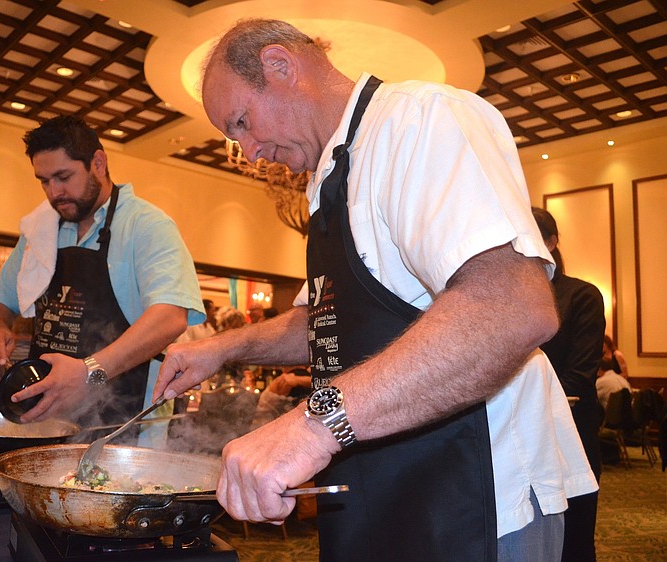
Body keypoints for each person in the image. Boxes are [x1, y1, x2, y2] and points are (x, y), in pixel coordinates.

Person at [154, 19, 595, 561]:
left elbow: (511, 308)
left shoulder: (421, 120)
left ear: (281, 65)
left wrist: (313, 428)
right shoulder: (326, 183)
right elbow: (328, 322)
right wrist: (222, 348)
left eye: (242, 122)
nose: (247, 151)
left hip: (474, 485)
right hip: (376, 480)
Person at [0, 115, 204, 438]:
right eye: (44, 181)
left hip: (126, 427)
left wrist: (88, 372)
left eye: (63, 177)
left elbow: (170, 317)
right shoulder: (41, 231)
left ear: (98, 162)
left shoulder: (147, 225)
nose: (54, 192)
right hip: (47, 423)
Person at [533, 207, 605, 562]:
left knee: (574, 542)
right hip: (523, 439)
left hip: (570, 433)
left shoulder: (582, 295)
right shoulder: (508, 299)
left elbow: (580, 376)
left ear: (551, 241)